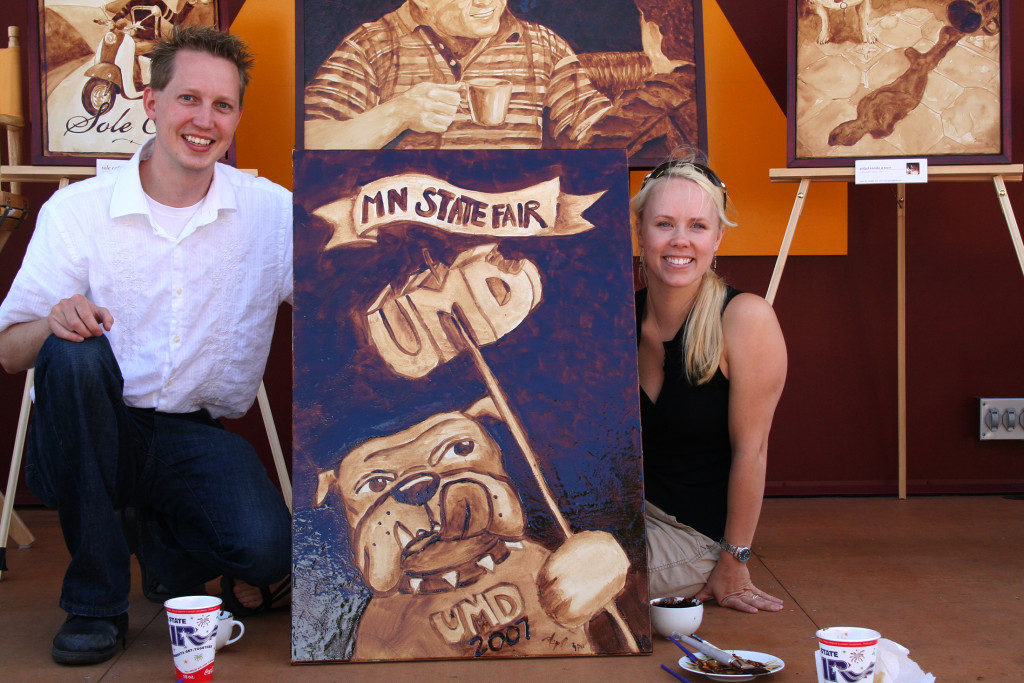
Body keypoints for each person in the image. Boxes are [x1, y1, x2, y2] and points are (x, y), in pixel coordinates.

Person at [0, 26, 292, 665]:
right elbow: (11, 350)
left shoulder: (272, 213)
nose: (204, 120)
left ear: (237, 116)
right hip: (91, 427)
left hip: (192, 432)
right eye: (189, 98)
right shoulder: (77, 211)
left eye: (222, 105)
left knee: (269, 551)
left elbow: (336, 303)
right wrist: (53, 319)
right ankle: (94, 602)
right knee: (73, 356)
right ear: (152, 102)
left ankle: (158, 545)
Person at [632, 149, 787, 614]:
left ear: (718, 237)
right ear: (640, 232)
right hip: (628, 516)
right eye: (664, 224)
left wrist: (734, 560)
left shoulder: (746, 318)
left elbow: (752, 451)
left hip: (692, 536)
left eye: (697, 226)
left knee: (557, 578)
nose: (680, 240)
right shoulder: (619, 314)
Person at [303, 0, 612, 149]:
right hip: (405, 241)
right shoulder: (373, 45)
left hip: (514, 233)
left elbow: (600, 134)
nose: (487, 2)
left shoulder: (542, 47)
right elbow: (308, 140)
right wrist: (395, 115)